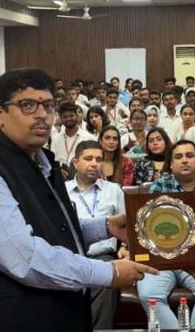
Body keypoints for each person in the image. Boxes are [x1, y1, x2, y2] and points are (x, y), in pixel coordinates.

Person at [0, 68, 157, 332]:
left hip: (60, 312)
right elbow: (26, 258)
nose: (42, 114)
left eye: (48, 105)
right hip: (18, 320)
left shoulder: (41, 161)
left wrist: (104, 227)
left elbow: (50, 228)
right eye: (27, 105)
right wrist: (109, 272)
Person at [137, 140, 195, 329]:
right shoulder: (158, 188)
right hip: (163, 259)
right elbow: (147, 229)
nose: (185, 161)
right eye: (178, 157)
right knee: (149, 295)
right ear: (171, 164)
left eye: (190, 156)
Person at [65, 141, 126, 330]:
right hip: (70, 256)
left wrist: (125, 248)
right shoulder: (61, 190)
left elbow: (126, 226)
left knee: (107, 280)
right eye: (88, 158)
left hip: (103, 256)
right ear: (75, 162)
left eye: (99, 159)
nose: (94, 163)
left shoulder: (113, 190)